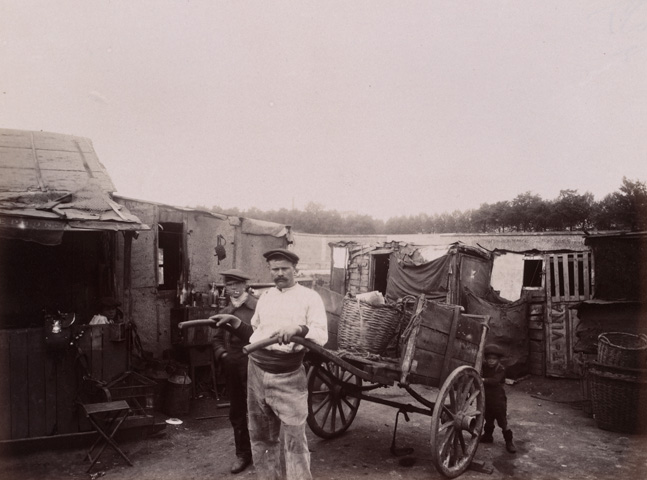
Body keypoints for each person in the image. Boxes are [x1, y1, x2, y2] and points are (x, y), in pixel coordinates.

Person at [215, 248, 328, 480]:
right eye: (275, 269)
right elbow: (256, 335)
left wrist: (298, 329)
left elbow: (321, 333)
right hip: (256, 370)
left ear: (295, 269)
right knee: (261, 437)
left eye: (284, 269)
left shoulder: (309, 297)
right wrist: (235, 322)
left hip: (287, 373)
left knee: (295, 439)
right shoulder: (266, 298)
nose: (279, 273)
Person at [212, 268, 257, 474]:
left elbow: (261, 336)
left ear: (245, 286)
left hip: (254, 364)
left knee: (258, 410)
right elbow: (216, 339)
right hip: (232, 367)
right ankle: (243, 454)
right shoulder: (227, 310)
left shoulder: (257, 307)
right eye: (229, 285)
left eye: (237, 284)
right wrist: (223, 355)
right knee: (237, 411)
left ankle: (263, 451)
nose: (233, 289)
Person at [481, 343, 516, 453]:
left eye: (494, 359)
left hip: (498, 399)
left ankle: (509, 442)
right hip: (487, 398)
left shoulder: (500, 369)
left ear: (498, 360)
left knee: (502, 421)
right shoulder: (484, 367)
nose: (491, 361)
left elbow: (495, 381)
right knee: (488, 418)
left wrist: (482, 380)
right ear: (486, 359)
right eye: (489, 359)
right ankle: (488, 436)